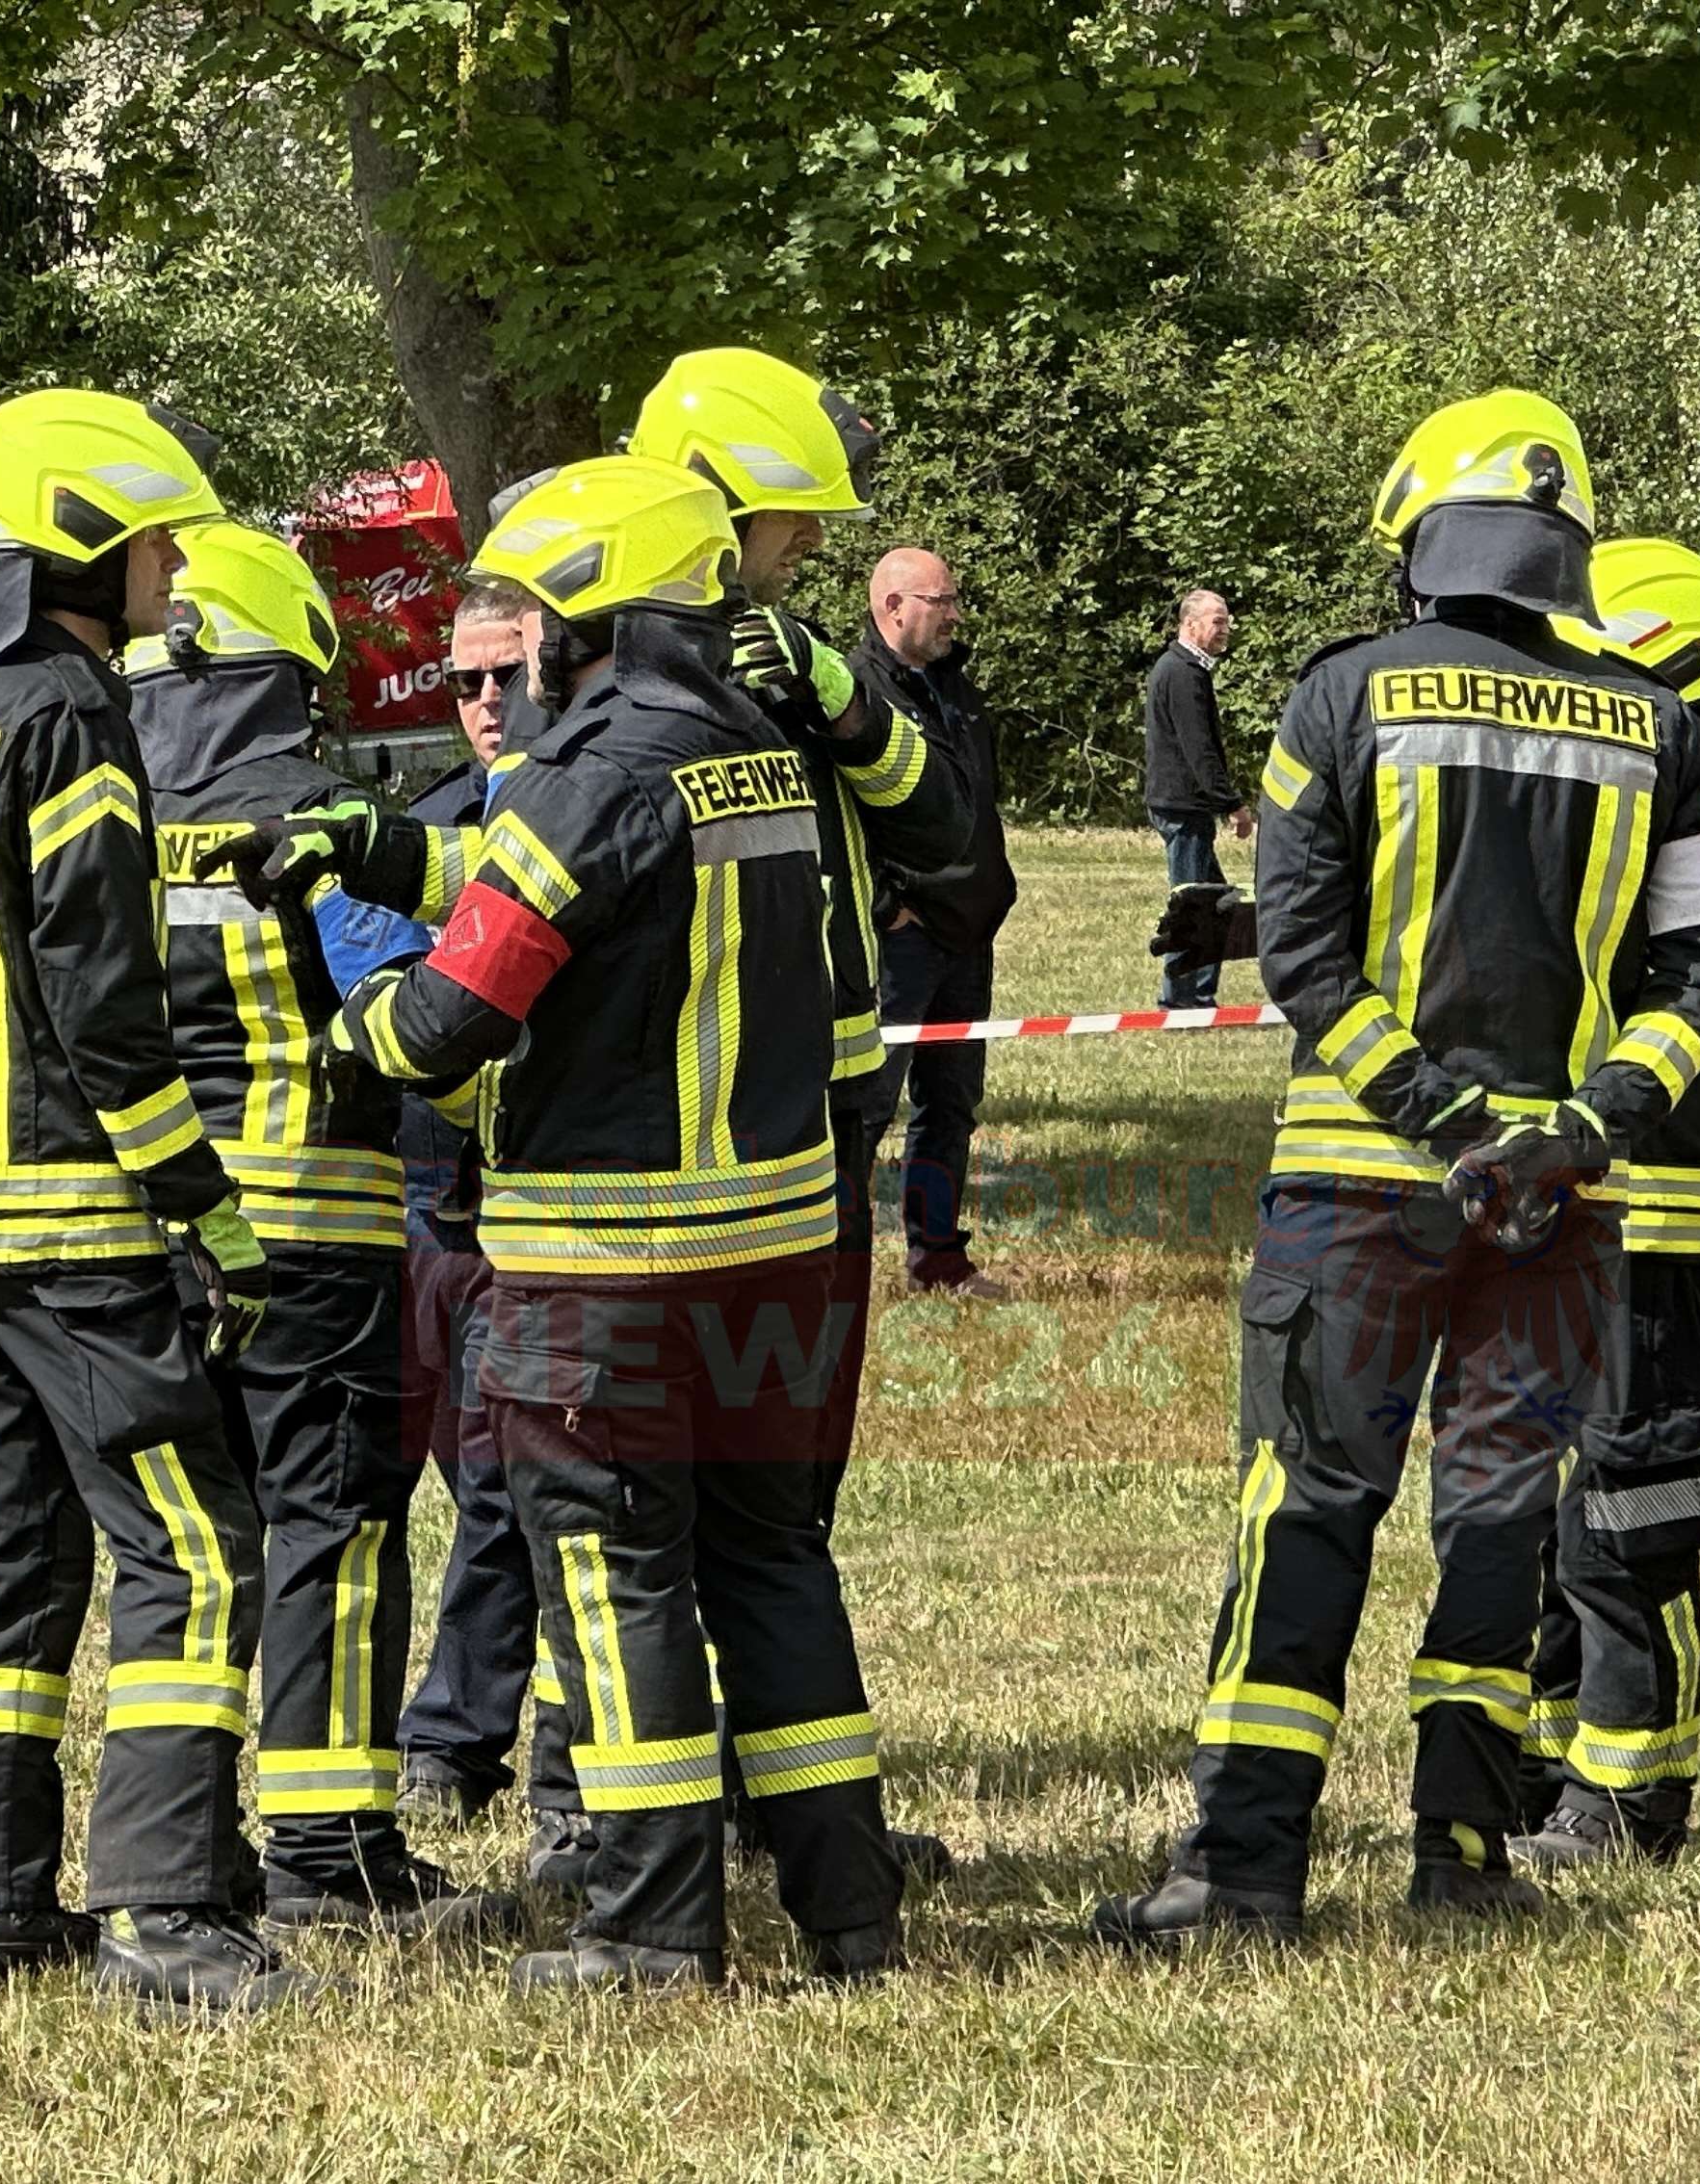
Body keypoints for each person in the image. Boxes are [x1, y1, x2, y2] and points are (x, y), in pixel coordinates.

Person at [1088, 391, 1700, 1949]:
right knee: (1499, 1520)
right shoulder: (1657, 727)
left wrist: (1433, 1110)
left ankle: (1243, 1868)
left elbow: (1303, 954)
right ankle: (1461, 1850)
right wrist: (1586, 1123)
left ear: (1419, 543)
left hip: (1357, 1188)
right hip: (1557, 1207)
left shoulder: (1339, 695)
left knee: (1306, 1511)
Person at [283, 455, 908, 1991]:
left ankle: (648, 1928)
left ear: (591, 622)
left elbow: (455, 1011)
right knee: (774, 1574)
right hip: (772, 1252)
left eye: (538, 628)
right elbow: (587, 884)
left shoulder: (592, 772)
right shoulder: (755, 753)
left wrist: (354, 1029)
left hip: (604, 1274)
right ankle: (850, 1911)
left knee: (619, 1592)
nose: (522, 663)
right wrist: (388, 850)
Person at [0, 387, 304, 2015]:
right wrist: (204, 1204)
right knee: (197, 1548)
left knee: (4, 1552)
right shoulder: (69, 719)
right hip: (68, 1218)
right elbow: (106, 1006)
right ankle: (168, 1912)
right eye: (155, 541)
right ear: (78, 542)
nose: (175, 570)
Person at [122, 520, 514, 1944]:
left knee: (190, 1549)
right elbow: (412, 1015)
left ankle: (183, 1845)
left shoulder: (102, 811)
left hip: (155, 1233)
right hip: (315, 1234)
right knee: (333, 1530)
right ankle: (331, 1853)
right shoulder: (316, 818)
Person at [627, 350, 968, 1886]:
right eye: (794, 519)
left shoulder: (808, 663)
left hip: (821, 1126)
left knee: (783, 1488)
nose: (815, 545)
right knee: (657, 1500)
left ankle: (789, 1815)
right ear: (720, 506)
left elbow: (944, 829)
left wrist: (840, 700)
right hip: (678, 1141)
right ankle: (631, 1818)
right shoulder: (614, 676)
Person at [1508, 536, 1700, 1872]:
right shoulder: (1634, 810)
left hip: (1661, 1224)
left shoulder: (1693, 838)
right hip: (1578, 1214)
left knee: (1633, 1510)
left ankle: (1630, 1797)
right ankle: (1552, 1763)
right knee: (1562, 1511)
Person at [385, 581, 595, 1897]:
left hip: (548, 1211)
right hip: (420, 1202)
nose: (484, 702)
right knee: (462, 1484)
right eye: (462, 681)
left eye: (505, 675)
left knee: (514, 1483)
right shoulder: (422, 832)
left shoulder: (594, 812)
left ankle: (456, 1738)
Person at [860, 546, 1014, 1296]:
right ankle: (834, 1264)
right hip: (903, 942)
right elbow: (842, 818)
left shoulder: (959, 689)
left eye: (954, 600)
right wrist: (886, 907)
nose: (955, 614)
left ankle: (938, 1259)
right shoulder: (856, 695)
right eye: (941, 600)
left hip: (968, 935)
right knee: (866, 1107)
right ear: (894, 607)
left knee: (951, 1105)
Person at [1145, 590, 1247, 1006]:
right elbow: (1199, 748)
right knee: (1191, 906)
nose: (1225, 629)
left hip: (1184, 805)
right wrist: (1231, 804)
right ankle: (1179, 1001)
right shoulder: (1183, 673)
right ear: (1190, 624)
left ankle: (1199, 998)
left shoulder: (1185, 668)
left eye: (1226, 621)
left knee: (1215, 901)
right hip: (1183, 807)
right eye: (1217, 621)